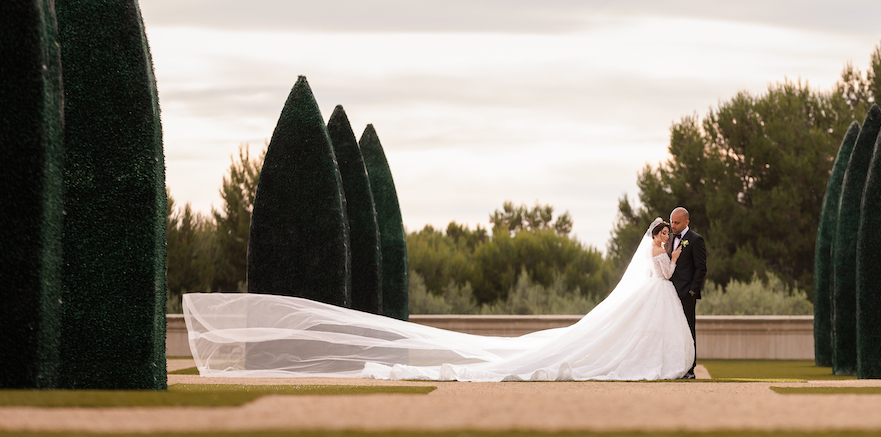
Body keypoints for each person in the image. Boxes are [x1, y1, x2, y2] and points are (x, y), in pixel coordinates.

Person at [183, 217, 694, 381]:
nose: (664, 238)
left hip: (656, 299)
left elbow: (666, 271)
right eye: (663, 233)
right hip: (656, 296)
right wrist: (668, 260)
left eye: (667, 234)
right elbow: (664, 272)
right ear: (658, 233)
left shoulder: (660, 249)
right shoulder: (658, 253)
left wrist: (671, 263)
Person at [667, 206, 707, 378]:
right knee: (670, 331)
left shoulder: (696, 240)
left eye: (676, 223)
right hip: (668, 294)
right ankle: (672, 366)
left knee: (688, 331)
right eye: (671, 222)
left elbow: (701, 268)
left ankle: (690, 369)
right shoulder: (667, 238)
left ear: (686, 222)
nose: (673, 226)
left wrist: (692, 291)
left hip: (686, 295)